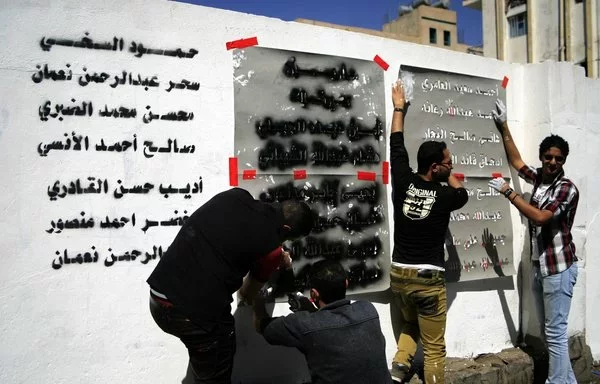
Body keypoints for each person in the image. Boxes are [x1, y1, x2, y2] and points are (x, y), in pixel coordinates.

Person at [146, 187, 313, 383]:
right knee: (218, 364)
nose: (284, 243)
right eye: (289, 238)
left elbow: (232, 237)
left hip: (158, 295)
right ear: (285, 230)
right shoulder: (271, 251)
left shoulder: (236, 195)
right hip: (189, 314)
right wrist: (272, 266)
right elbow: (245, 294)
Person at [488, 99, 579, 384]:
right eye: (548, 157)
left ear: (564, 160)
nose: (553, 162)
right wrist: (503, 125)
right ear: (542, 157)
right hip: (541, 266)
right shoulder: (540, 178)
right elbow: (516, 163)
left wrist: (509, 194)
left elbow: (541, 218)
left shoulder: (566, 188)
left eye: (559, 158)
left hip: (559, 269)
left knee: (555, 333)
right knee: (549, 331)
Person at [388, 80, 469, 384]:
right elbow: (462, 193)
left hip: (399, 275)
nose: (452, 166)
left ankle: (397, 371)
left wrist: (399, 107)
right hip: (427, 278)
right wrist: (451, 177)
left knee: (410, 326)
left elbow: (396, 143)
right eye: (448, 163)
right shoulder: (449, 195)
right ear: (436, 167)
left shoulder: (403, 181)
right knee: (434, 350)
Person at [253, 259, 392, 384]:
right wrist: (311, 310)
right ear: (346, 283)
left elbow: (261, 325)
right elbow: (331, 327)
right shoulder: (368, 310)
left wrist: (258, 298)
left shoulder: (303, 324)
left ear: (313, 294)